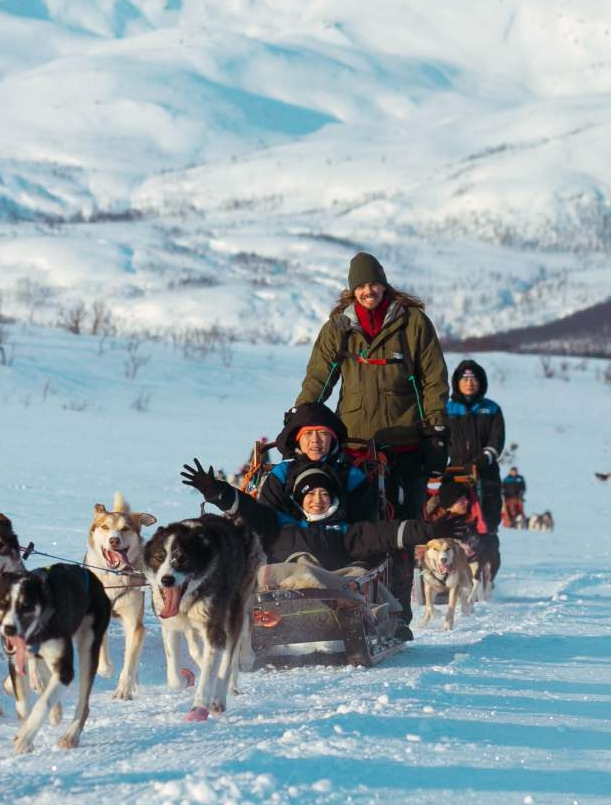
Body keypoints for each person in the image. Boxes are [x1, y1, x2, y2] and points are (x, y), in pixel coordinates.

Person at [292, 252, 449, 636]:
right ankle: (349, 605)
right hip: (355, 444)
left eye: (373, 284)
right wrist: (302, 420)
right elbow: (319, 378)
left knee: (401, 529)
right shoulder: (340, 327)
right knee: (355, 528)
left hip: (404, 443)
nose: (368, 291)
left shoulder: (412, 323)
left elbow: (433, 378)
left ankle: (398, 615)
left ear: (384, 284)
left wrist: (436, 428)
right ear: (352, 290)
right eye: (360, 286)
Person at [182, 459, 466, 573]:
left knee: (353, 576)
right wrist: (216, 491)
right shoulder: (278, 524)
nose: (317, 500)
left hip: (333, 588)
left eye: (324, 494)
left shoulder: (346, 531)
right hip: (284, 585)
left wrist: (431, 530)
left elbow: (388, 533)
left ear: (333, 499)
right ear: (300, 499)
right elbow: (247, 508)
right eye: (310, 494)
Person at [253, 403, 382, 522]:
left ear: (332, 440)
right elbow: (269, 520)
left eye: (322, 433)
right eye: (308, 433)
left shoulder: (352, 476)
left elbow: (365, 523)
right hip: (291, 539)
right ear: (298, 440)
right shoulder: (282, 474)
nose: (315, 440)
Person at [444, 359, 505, 574]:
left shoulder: (491, 409)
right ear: (457, 382)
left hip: (486, 473)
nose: (469, 383)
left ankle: (486, 570)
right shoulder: (447, 409)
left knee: (487, 521)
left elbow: (497, 440)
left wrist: (485, 458)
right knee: (451, 516)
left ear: (481, 382)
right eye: (464, 379)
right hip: (455, 472)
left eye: (473, 379)